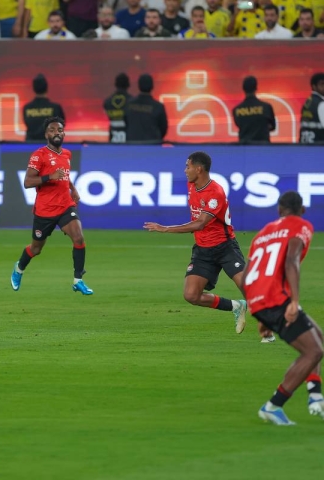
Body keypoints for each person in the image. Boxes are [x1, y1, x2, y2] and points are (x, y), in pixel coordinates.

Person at [143, 151, 253, 338]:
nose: (185, 170)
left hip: (225, 247)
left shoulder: (215, 193)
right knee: (191, 295)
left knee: (249, 289)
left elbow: (200, 223)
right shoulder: (192, 185)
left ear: (199, 169)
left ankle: (270, 329)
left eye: (188, 166)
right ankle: (236, 306)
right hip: (203, 250)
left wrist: (165, 229)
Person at [241, 191, 322, 425]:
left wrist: (259, 312)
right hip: (276, 299)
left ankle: (315, 396)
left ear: (279, 209)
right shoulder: (302, 225)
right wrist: (294, 301)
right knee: (313, 351)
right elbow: (291, 260)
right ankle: (273, 405)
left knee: (317, 339)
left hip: (261, 299)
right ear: (302, 210)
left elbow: (247, 276)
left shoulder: (262, 233)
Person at [10, 117, 93, 296]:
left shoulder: (66, 154)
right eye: (52, 130)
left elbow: (64, 175)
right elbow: (27, 182)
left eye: (60, 130)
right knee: (36, 248)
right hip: (45, 211)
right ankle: (19, 268)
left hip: (65, 206)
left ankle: (78, 280)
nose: (57, 132)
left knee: (78, 238)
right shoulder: (38, 155)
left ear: (64, 133)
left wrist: (73, 188)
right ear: (46, 134)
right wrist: (49, 177)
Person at [232, 76, 276, 144]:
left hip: (244, 149)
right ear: (256, 88)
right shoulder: (266, 107)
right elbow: (272, 127)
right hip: (263, 147)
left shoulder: (237, 110)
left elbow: (239, 124)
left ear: (243, 89)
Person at [125, 74, 168, 144]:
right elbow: (163, 129)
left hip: (132, 146)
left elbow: (125, 124)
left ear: (138, 86)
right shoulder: (158, 107)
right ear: (152, 87)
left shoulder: (128, 105)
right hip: (152, 146)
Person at [103, 73, 132, 143]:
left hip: (113, 140)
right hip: (128, 141)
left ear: (115, 84)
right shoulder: (132, 102)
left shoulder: (107, 102)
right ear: (128, 84)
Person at [300, 72, 324, 144]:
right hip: (319, 146)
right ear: (314, 86)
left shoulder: (308, 101)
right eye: (322, 84)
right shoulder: (321, 104)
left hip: (306, 145)